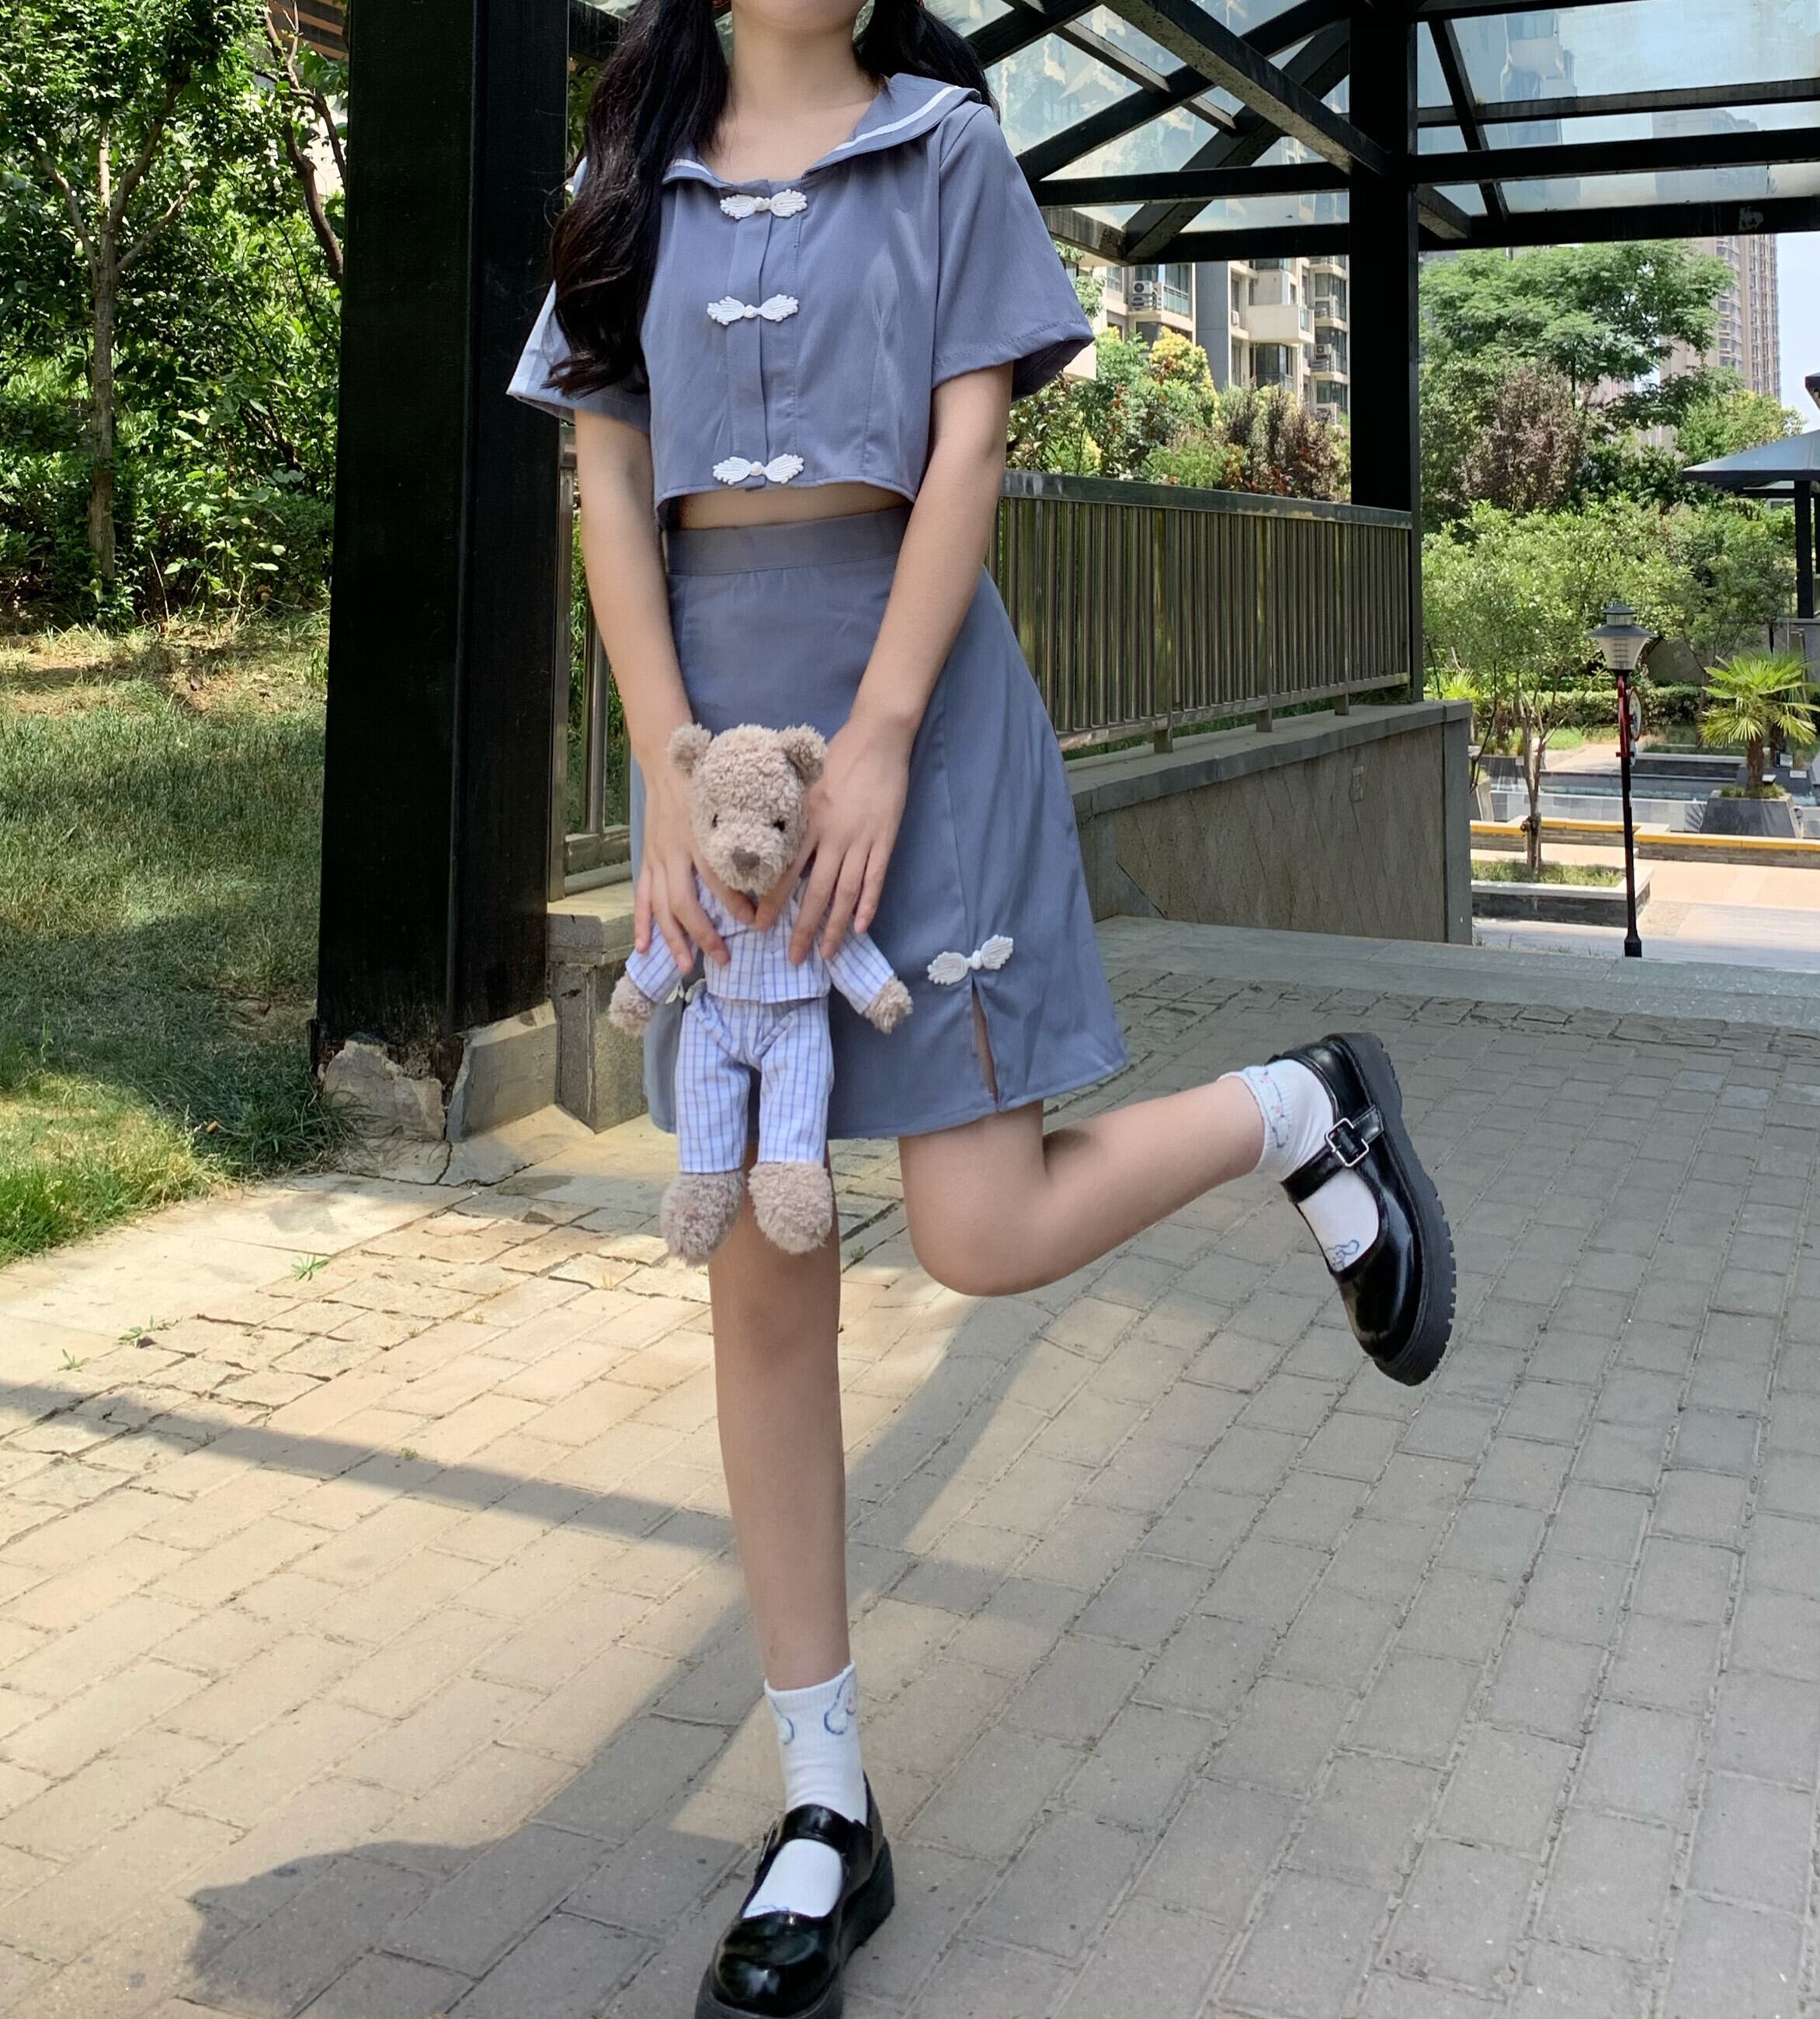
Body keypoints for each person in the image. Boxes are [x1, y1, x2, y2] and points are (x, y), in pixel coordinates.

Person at [510, 5, 1456, 2013]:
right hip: (716, 751)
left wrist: (879, 736)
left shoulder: (947, 147)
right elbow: (609, 477)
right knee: (760, 1271)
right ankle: (822, 1806)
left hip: (917, 726)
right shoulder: (626, 170)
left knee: (980, 1227)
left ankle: (1303, 1112)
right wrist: (667, 767)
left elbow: (970, 447)